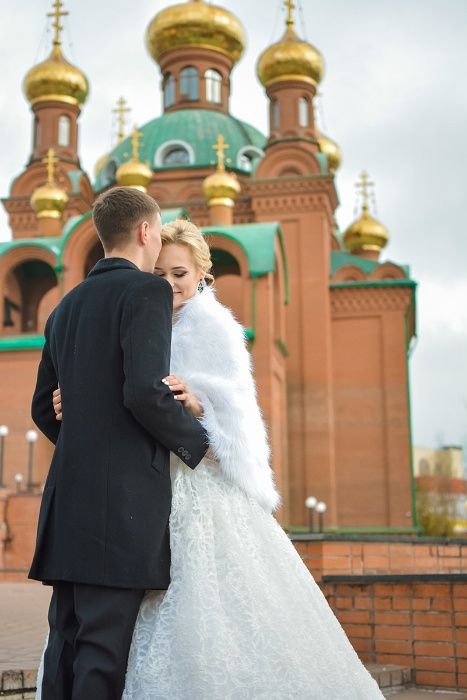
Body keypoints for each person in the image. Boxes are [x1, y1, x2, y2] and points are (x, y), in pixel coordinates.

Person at [50, 219, 384, 699]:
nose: (168, 284)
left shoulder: (215, 328)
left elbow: (237, 407)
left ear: (202, 276)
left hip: (194, 479)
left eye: (179, 274)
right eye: (159, 273)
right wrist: (76, 399)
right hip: (138, 482)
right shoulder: (132, 314)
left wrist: (198, 401)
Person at [30, 188, 210, 700]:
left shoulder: (64, 307)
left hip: (66, 502)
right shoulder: (146, 292)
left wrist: (88, 437)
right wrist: (200, 445)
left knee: (64, 645)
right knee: (103, 653)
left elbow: (43, 408)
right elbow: (144, 394)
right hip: (120, 509)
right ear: (145, 231)